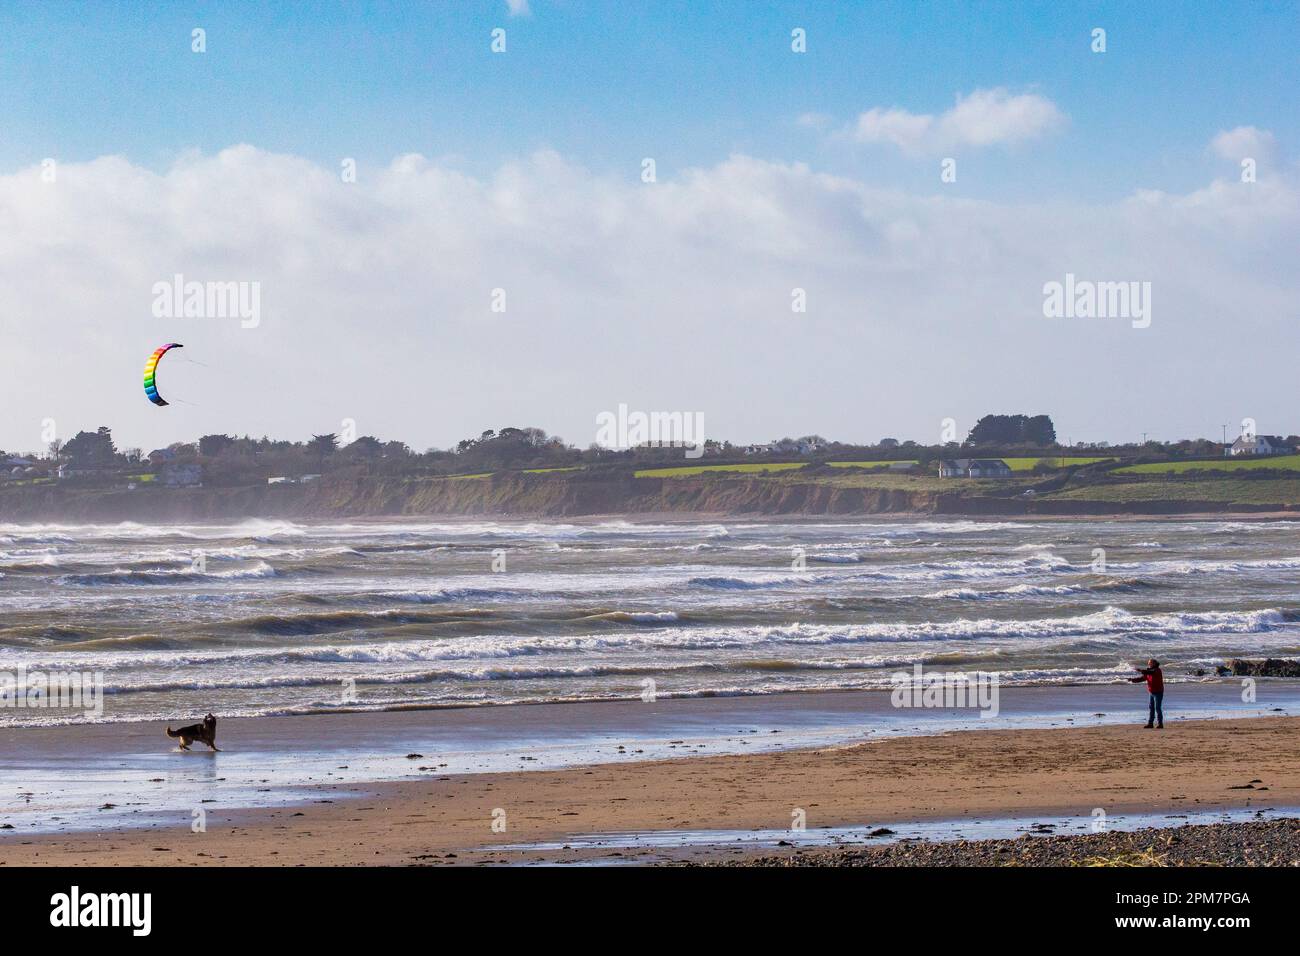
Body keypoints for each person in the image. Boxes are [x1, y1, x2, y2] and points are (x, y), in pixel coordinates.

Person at [1129, 658, 1164, 729]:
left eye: (1150, 663)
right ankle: (1150, 723)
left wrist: (1141, 670)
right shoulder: (1148, 671)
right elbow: (1142, 678)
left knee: (1157, 708)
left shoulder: (1157, 670)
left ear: (1154, 663)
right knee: (1151, 708)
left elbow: (1151, 672)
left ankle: (1160, 724)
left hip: (1158, 692)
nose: (1149, 664)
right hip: (1151, 692)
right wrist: (1132, 680)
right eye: (1148, 663)